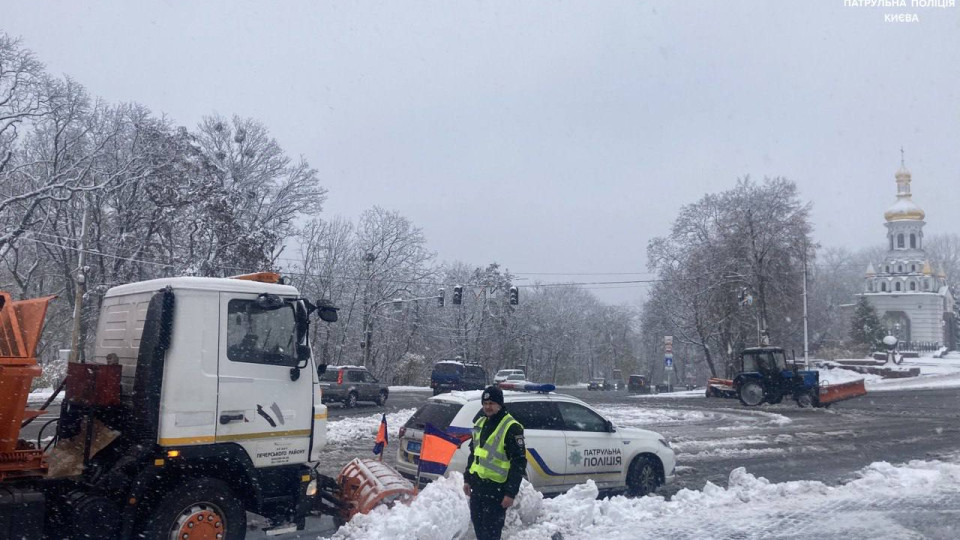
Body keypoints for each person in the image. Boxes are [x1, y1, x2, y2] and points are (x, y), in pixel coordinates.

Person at [462, 385, 526, 540]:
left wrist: (510, 493)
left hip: (496, 490)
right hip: (478, 488)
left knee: (491, 535)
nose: (487, 407)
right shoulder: (480, 424)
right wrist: (468, 479)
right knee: (479, 531)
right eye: (485, 403)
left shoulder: (511, 427)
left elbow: (519, 463)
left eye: (491, 403)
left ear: (500, 404)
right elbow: (474, 454)